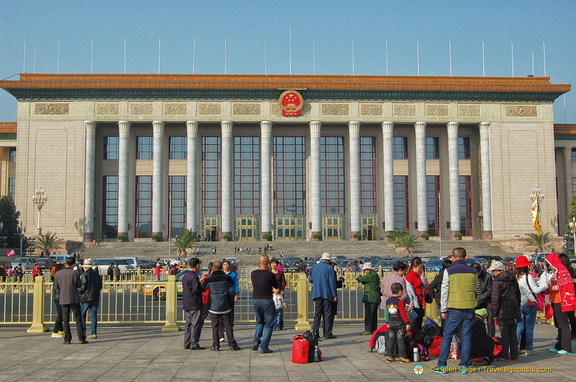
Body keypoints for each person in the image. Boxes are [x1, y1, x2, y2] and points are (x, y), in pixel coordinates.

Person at [434, 247, 477, 375]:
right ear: (466, 257)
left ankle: (442, 365)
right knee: (466, 337)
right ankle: (464, 365)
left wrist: (443, 308)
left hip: (454, 307)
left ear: (453, 258)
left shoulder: (449, 271)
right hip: (469, 307)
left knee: (447, 336)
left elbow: (445, 290)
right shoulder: (473, 271)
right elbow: (474, 287)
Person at [202, 260, 241, 351]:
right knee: (228, 325)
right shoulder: (227, 278)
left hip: (214, 305)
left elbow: (204, 287)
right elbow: (231, 285)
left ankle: (216, 345)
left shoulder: (209, 278)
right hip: (225, 304)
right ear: (221, 268)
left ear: (213, 268)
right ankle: (232, 344)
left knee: (215, 326)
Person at [488, 260, 521, 361]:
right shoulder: (512, 278)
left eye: (493, 271)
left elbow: (495, 299)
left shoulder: (497, 282)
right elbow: (518, 294)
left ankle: (505, 356)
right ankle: (514, 356)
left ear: (497, 271)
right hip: (514, 308)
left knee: (504, 334)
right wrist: (517, 306)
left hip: (503, 310)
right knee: (513, 334)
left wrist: (494, 313)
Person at [515, 255, 548, 356]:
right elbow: (535, 290)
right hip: (530, 304)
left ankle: (515, 347)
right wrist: (546, 285)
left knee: (519, 328)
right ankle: (529, 348)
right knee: (529, 328)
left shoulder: (516, 277)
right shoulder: (528, 276)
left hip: (520, 304)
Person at [546, 252, 576, 355]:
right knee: (559, 324)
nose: (549, 265)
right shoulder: (556, 271)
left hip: (561, 301)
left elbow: (563, 286)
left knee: (563, 325)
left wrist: (550, 286)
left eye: (549, 263)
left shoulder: (562, 271)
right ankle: (559, 345)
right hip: (555, 300)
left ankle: (566, 347)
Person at [53, 257, 88, 345]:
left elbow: (56, 287)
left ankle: (67, 339)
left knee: (65, 320)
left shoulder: (58, 274)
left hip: (63, 298)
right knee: (78, 318)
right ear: (73, 265)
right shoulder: (75, 273)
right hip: (74, 298)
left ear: (65, 264)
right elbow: (79, 285)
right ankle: (81, 338)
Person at [251, 254, 279, 353]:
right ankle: (264, 347)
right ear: (268, 264)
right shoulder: (270, 274)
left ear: (259, 261)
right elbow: (276, 286)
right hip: (267, 300)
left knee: (259, 322)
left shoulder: (253, 273)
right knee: (269, 325)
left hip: (256, 300)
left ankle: (256, 341)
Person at [309, 253, 338, 339]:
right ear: (328, 260)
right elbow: (332, 283)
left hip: (317, 293)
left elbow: (310, 279)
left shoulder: (313, 267)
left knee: (317, 314)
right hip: (327, 294)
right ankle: (327, 333)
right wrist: (334, 295)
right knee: (327, 313)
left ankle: (315, 332)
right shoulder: (329, 268)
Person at [384, 282, 411, 363]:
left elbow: (387, 312)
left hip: (391, 322)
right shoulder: (400, 301)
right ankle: (402, 357)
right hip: (399, 323)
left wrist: (387, 321)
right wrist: (407, 323)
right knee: (400, 339)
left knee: (391, 339)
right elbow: (403, 312)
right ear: (400, 292)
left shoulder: (388, 300)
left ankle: (389, 356)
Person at [183, 257, 205, 350]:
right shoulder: (193, 276)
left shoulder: (185, 275)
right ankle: (194, 343)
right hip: (194, 302)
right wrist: (203, 287)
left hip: (187, 302)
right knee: (195, 323)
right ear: (197, 265)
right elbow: (196, 289)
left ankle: (187, 342)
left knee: (188, 324)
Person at [79, 259, 103, 339]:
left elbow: (83, 286)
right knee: (93, 315)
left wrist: (79, 292)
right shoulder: (97, 275)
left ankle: (83, 331)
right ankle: (93, 332)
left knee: (82, 314)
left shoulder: (84, 274)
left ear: (85, 267)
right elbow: (100, 286)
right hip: (95, 297)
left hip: (86, 297)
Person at [427, 259, 452, 334]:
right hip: (442, 300)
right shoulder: (441, 276)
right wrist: (435, 296)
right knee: (444, 321)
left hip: (448, 300)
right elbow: (430, 287)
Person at [356, 262, 381, 335]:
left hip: (370, 297)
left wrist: (359, 277)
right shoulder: (375, 275)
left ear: (368, 269)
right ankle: (373, 329)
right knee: (373, 315)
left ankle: (368, 329)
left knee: (369, 314)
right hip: (375, 297)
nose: (364, 272)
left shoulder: (371, 275)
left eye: (365, 270)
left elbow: (360, 278)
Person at [471, 262, 494, 336]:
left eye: (477, 273)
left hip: (486, 300)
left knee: (490, 320)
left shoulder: (488, 276)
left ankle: (491, 338)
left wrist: (479, 299)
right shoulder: (469, 275)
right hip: (473, 300)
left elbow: (489, 290)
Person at [405, 257, 426, 331]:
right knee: (413, 324)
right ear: (414, 267)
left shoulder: (418, 275)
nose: (420, 270)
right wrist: (411, 304)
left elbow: (424, 286)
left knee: (419, 324)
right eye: (419, 268)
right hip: (414, 304)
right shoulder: (410, 276)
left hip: (420, 302)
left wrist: (422, 277)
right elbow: (409, 292)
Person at [51, 263, 65, 338]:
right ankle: (55, 331)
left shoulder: (57, 276)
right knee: (61, 314)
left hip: (57, 297)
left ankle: (60, 329)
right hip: (59, 297)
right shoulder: (59, 277)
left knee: (61, 313)